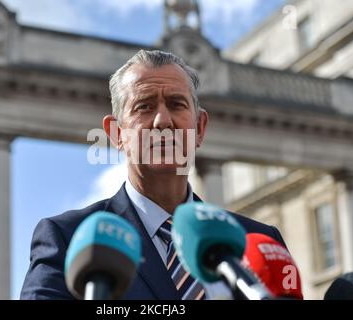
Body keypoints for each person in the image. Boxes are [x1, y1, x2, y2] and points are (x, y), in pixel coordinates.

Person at [20, 50, 290, 300]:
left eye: (176, 104)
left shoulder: (258, 241)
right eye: (144, 106)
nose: (163, 121)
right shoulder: (67, 239)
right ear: (116, 133)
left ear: (200, 128)